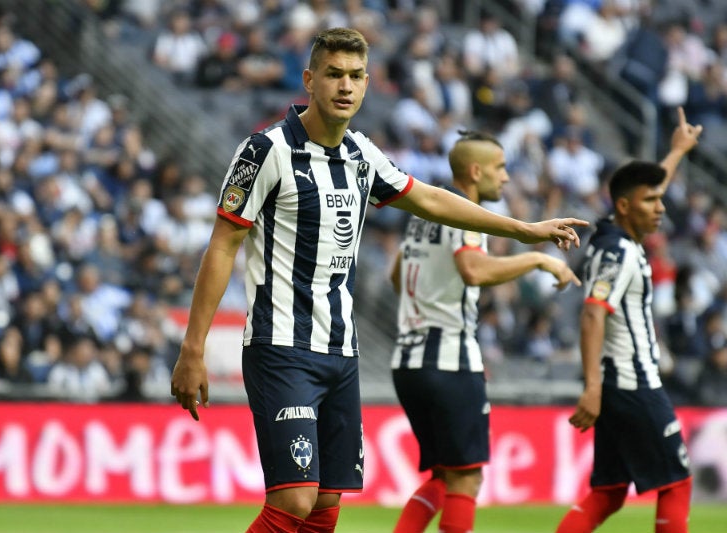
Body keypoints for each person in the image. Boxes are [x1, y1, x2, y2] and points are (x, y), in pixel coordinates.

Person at [170, 28, 586, 533]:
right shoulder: (265, 151)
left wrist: (522, 230)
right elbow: (222, 246)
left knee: (326, 504)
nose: (345, 86)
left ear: (367, 83)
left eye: (355, 76)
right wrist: (193, 348)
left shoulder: (361, 154)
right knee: (294, 501)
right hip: (281, 345)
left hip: (341, 352)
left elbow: (430, 198)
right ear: (309, 80)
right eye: (333, 75)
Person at [389, 130, 581, 533]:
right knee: (466, 478)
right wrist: (535, 259)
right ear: (476, 172)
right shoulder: (462, 211)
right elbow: (473, 270)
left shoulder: (423, 216)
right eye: (500, 168)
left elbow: (396, 274)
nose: (507, 178)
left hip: (408, 360)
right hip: (448, 360)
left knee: (443, 477)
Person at [556, 107, 702, 533]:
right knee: (677, 482)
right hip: (631, 383)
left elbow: (648, 187)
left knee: (609, 491)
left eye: (660, 199)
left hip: (619, 384)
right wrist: (592, 388)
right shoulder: (618, 252)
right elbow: (592, 315)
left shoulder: (619, 236)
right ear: (624, 206)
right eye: (651, 202)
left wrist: (676, 152)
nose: (660, 208)